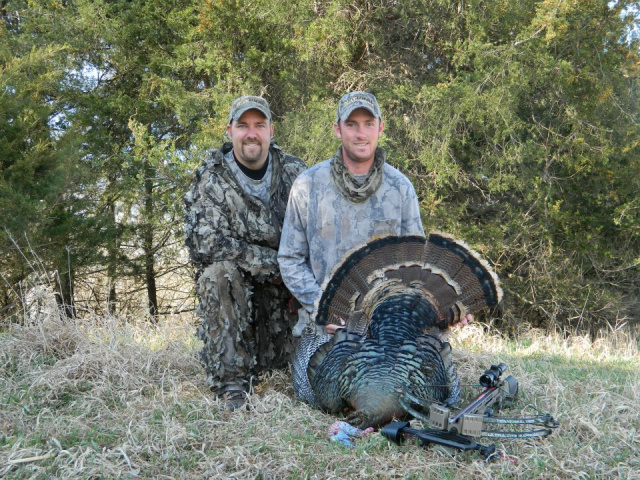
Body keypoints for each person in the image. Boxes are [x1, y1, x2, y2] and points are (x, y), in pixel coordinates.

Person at [277, 91, 472, 334]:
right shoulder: (308, 185)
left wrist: (447, 304)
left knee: (435, 356)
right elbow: (290, 259)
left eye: (369, 124)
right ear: (338, 129)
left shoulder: (400, 187)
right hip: (326, 327)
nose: (361, 134)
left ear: (380, 128)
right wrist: (322, 307)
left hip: (386, 328)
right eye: (352, 124)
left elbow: (417, 263)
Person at [184, 95, 306, 410]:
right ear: (230, 131)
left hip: (285, 302)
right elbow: (206, 244)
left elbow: (317, 237)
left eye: (259, 125)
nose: (251, 133)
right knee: (218, 274)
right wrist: (276, 263)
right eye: (243, 126)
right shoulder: (211, 177)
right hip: (238, 305)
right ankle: (232, 387)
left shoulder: (295, 174)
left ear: (270, 130)